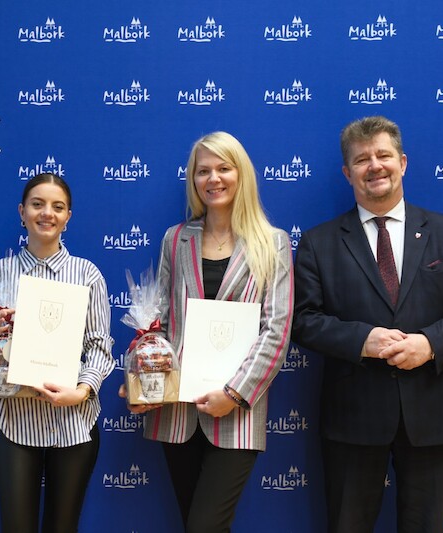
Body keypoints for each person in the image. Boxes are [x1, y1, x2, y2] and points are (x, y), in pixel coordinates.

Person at [292, 115, 443, 532]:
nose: (374, 166)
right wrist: (361, 340)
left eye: (383, 155)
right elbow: (303, 320)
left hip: (430, 412)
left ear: (402, 162)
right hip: (352, 417)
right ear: (347, 173)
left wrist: (430, 344)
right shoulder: (318, 242)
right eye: (362, 159)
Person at [122, 131, 294, 532]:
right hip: (177, 412)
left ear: (241, 174)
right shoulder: (176, 239)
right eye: (203, 171)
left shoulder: (273, 243)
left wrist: (234, 394)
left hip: (237, 413)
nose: (213, 179)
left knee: (204, 525)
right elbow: (161, 323)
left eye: (223, 168)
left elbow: (277, 331)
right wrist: (143, 382)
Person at [0, 172, 115, 533]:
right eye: (37, 204)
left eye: (58, 207)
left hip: (73, 422)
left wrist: (81, 391)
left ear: (68, 217)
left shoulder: (87, 275)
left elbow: (100, 346)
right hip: (14, 418)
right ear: (22, 212)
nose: (47, 213)